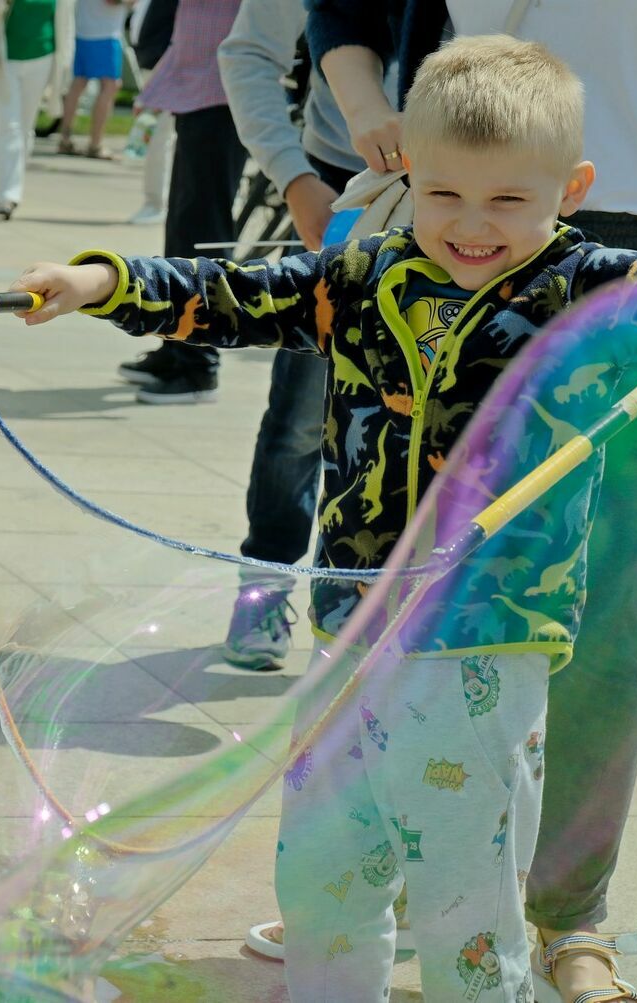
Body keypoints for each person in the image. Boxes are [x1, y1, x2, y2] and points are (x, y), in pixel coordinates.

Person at [9, 35, 637, 1002]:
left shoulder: (586, 289)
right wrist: (102, 285)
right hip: (352, 625)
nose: (472, 226)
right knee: (324, 867)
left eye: (509, 199)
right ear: (406, 175)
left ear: (573, 185)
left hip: (487, 635)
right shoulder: (362, 277)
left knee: (463, 888)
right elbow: (232, 294)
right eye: (444, 194)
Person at [304, 3, 637, 1000]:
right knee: (409, 593)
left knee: (599, 613)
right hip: (456, 232)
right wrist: (369, 107)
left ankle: (568, 911)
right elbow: (344, 6)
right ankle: (392, 876)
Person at [216, 0, 397, 673]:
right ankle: (263, 586)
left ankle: (361, 601)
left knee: (421, 425)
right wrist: (295, 178)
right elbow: (248, 54)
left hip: (466, 207)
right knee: (301, 416)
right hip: (338, 195)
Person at [112, 0, 243, 404]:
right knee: (185, 227)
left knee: (204, 231)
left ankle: (198, 364)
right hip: (199, 84)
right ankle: (177, 344)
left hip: (228, 89)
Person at [0, 0, 76, 219]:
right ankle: (6, 196)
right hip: (3, 56)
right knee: (7, 125)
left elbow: (66, 23)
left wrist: (65, 64)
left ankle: (13, 189)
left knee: (24, 126)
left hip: (43, 56)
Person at [57, 0, 132, 159]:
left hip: (84, 30)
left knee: (78, 83)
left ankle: (65, 139)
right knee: (109, 86)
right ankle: (95, 144)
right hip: (105, 33)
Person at [124, 0, 177, 224]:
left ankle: (156, 204)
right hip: (153, 67)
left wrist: (156, 80)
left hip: (165, 71)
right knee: (157, 138)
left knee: (158, 139)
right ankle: (155, 202)